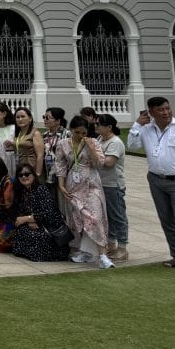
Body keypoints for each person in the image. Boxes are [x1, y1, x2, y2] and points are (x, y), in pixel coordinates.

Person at [127, 96, 175, 273]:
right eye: (161, 110)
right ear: (151, 112)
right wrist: (137, 125)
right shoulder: (146, 129)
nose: (166, 112)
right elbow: (132, 145)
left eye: (167, 108)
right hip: (156, 179)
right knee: (166, 220)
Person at [55, 115, 113, 268]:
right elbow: (60, 165)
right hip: (72, 185)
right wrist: (61, 186)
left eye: (83, 133)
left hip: (91, 184)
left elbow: (99, 163)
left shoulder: (93, 142)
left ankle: (103, 254)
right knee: (77, 219)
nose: (81, 136)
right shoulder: (62, 144)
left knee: (95, 217)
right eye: (77, 132)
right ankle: (84, 250)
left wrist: (91, 147)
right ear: (71, 130)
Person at [11, 164, 68, 262]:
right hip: (32, 224)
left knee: (37, 236)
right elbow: (18, 213)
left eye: (27, 174)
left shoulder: (41, 189)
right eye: (21, 175)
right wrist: (29, 221)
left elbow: (48, 213)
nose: (24, 177)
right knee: (20, 232)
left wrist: (27, 219)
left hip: (50, 226)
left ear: (33, 175)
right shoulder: (22, 192)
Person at [96, 114, 129, 262]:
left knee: (118, 216)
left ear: (109, 127)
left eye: (99, 124)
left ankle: (122, 247)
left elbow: (109, 162)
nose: (96, 126)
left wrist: (92, 153)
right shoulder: (99, 140)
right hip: (101, 183)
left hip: (113, 184)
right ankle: (111, 244)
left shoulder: (115, 142)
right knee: (107, 216)